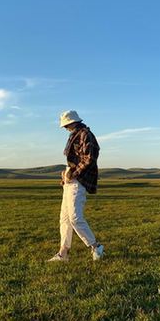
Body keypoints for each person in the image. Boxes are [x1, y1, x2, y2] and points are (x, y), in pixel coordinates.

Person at [48, 110, 104, 262]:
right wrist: (66, 175)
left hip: (79, 180)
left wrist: (73, 173)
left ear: (73, 122)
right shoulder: (74, 135)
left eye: (66, 125)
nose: (65, 128)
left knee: (74, 217)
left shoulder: (86, 134)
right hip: (71, 180)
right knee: (64, 218)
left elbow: (89, 158)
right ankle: (63, 253)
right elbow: (76, 160)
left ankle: (96, 246)